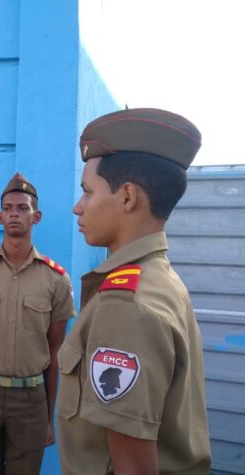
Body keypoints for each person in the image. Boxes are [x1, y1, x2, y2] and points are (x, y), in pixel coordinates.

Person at [57, 108, 211, 474]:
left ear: (127, 197)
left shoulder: (126, 304)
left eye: (87, 192)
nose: (78, 207)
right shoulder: (160, 281)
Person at [0, 172, 76, 474]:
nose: (14, 214)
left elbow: (55, 352)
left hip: (30, 400)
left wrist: (48, 416)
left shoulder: (56, 280)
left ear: (36, 216)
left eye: (23, 208)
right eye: (8, 208)